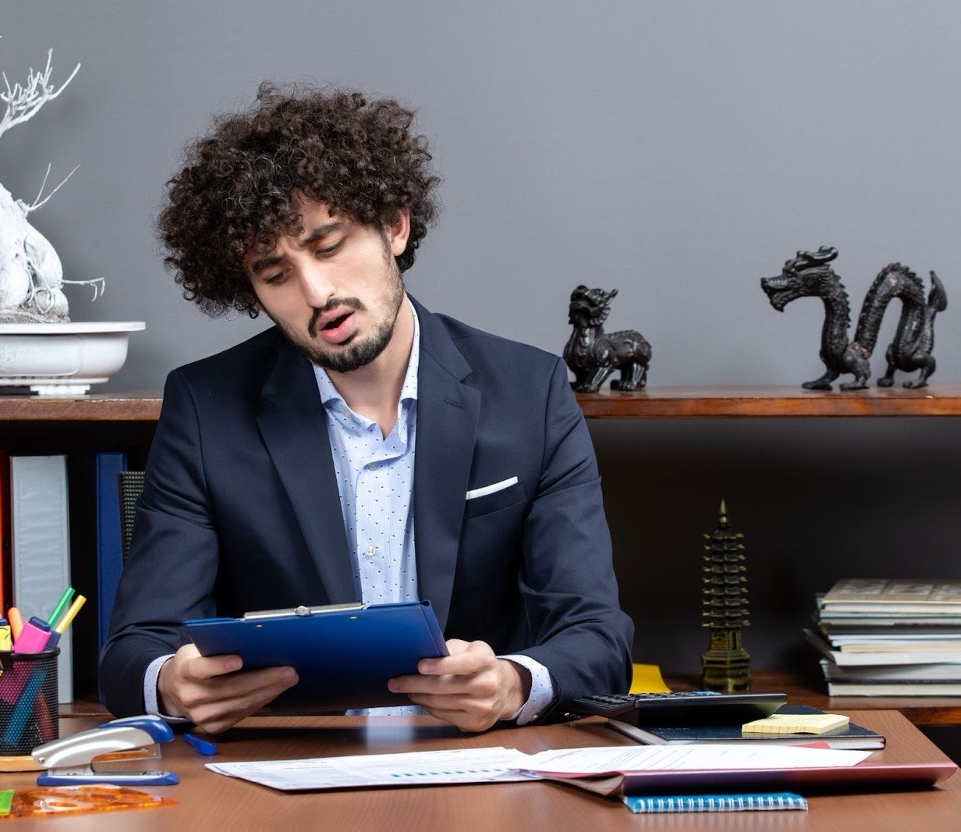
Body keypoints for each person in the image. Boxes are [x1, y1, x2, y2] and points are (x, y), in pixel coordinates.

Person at [100, 82, 633, 733]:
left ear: (395, 226)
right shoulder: (206, 408)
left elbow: (597, 636)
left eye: (328, 246)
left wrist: (513, 683)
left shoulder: (531, 392)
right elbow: (132, 650)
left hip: (478, 774)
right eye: (275, 274)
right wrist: (171, 683)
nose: (317, 291)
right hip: (287, 766)